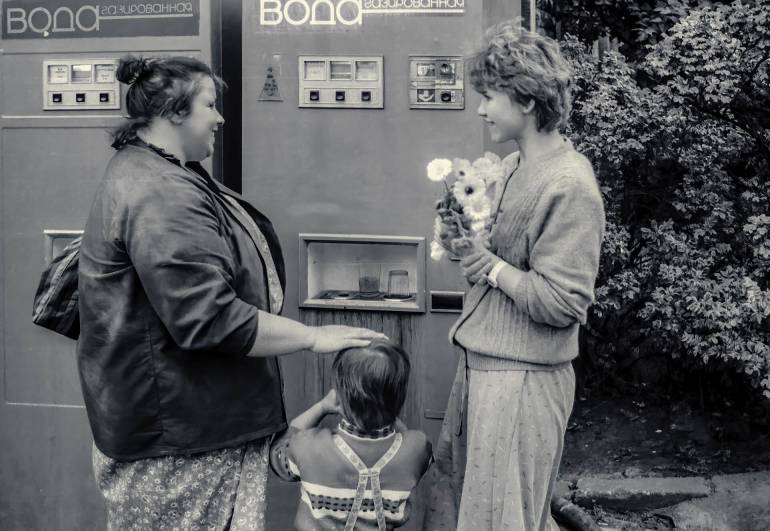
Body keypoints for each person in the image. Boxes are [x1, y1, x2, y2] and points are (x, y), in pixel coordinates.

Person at [78, 55, 384, 530]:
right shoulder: (161, 191)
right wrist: (311, 337)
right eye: (210, 105)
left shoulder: (152, 168)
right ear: (175, 112)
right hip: (180, 438)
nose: (220, 117)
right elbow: (208, 317)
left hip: (179, 426)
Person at [424, 19, 606, 531]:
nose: (480, 109)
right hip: (486, 371)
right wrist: (466, 240)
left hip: (522, 383)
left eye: (489, 95)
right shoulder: (509, 168)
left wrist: (494, 267)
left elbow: (564, 303)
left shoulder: (570, 185)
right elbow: (495, 269)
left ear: (525, 100)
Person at [270, 339, 433, 530]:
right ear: (400, 397)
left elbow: (277, 453)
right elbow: (410, 440)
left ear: (338, 397)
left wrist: (321, 407)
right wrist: (387, 410)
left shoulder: (308, 447)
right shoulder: (416, 449)